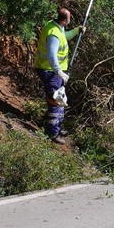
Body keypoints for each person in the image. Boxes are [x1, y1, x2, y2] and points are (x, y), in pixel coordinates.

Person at [34, 8, 85, 144]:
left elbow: (65, 36)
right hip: (50, 70)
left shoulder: (56, 27)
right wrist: (60, 72)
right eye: (69, 19)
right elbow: (51, 55)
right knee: (55, 100)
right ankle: (52, 133)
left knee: (60, 98)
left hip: (54, 71)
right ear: (65, 20)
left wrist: (76, 31)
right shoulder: (53, 34)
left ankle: (56, 126)